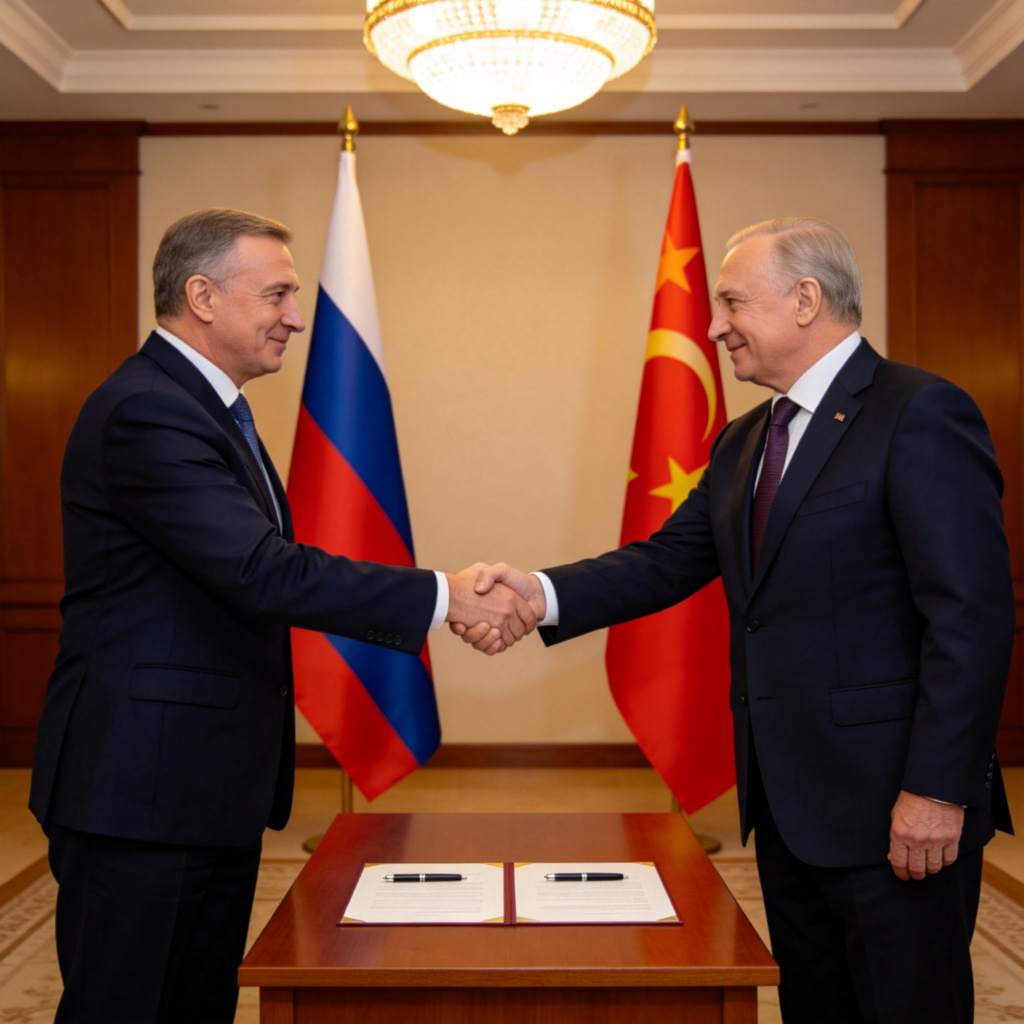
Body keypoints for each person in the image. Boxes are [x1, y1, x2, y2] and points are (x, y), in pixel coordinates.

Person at [459, 218, 1015, 1023]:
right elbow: (663, 562)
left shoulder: (919, 413)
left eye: (729, 303)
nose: (713, 326)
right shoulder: (746, 440)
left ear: (805, 299)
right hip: (788, 800)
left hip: (896, 800)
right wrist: (534, 592)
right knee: (816, 1002)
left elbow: (970, 618)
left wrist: (936, 789)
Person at [29, 207, 535, 1023]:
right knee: (125, 1005)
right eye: (277, 294)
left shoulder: (208, 407)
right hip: (140, 787)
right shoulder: (147, 412)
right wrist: (444, 596)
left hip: (198, 782)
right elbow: (260, 572)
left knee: (191, 1001)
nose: (297, 316)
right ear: (201, 296)